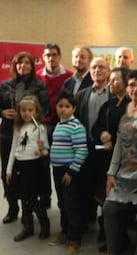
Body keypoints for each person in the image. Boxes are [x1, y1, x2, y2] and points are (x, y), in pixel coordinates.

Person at [103, 69, 137, 255]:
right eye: (131, 85)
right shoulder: (125, 108)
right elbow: (119, 141)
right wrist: (111, 172)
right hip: (123, 172)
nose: (135, 89)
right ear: (127, 88)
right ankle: (111, 252)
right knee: (109, 209)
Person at [0, 51, 50, 224]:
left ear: (32, 66)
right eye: (19, 63)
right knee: (7, 172)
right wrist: (2, 112)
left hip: (31, 134)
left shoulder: (39, 85)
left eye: (27, 63)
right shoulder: (5, 85)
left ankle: (32, 207)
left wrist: (31, 120)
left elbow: (46, 108)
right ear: (14, 65)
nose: (23, 66)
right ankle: (13, 207)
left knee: (31, 175)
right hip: (8, 133)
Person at [91, 67, 130, 252]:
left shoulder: (131, 105)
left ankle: (119, 239)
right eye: (110, 80)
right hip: (104, 160)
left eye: (115, 80)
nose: (111, 83)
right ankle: (108, 234)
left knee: (118, 205)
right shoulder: (108, 105)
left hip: (125, 162)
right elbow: (95, 127)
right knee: (103, 198)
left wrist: (113, 141)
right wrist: (102, 134)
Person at [48, 90, 88, 255]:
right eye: (60, 106)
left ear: (74, 108)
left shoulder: (76, 126)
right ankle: (65, 232)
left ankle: (74, 240)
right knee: (62, 203)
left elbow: (82, 151)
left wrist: (71, 171)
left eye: (67, 106)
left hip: (69, 172)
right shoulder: (59, 124)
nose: (62, 109)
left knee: (71, 205)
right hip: (57, 171)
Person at [6, 96, 50, 242]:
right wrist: (9, 169)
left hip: (33, 166)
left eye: (30, 110)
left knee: (32, 199)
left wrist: (42, 149)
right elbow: (13, 148)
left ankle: (44, 223)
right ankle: (28, 227)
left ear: (36, 111)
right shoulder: (18, 127)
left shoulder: (40, 128)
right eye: (23, 110)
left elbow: (46, 149)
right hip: (20, 165)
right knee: (24, 198)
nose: (26, 113)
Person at [75, 57, 111, 231]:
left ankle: (105, 228)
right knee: (85, 185)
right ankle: (87, 219)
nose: (98, 70)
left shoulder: (114, 94)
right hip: (86, 147)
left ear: (109, 71)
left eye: (102, 67)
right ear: (90, 71)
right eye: (94, 67)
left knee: (104, 188)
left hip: (107, 150)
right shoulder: (82, 94)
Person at [37, 43, 73, 209]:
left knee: (62, 166)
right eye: (48, 55)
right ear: (43, 57)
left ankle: (64, 201)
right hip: (43, 126)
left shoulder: (69, 77)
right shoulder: (37, 77)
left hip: (64, 127)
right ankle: (45, 198)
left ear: (59, 57)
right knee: (43, 164)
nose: (51, 58)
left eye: (54, 55)